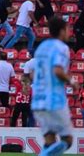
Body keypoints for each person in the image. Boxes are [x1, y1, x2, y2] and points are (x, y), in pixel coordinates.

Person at [31, 17, 77, 156]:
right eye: (68, 29)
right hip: (54, 100)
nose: (69, 33)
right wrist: (72, 81)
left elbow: (33, 73)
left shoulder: (41, 47)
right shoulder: (61, 47)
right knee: (67, 140)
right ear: (62, 31)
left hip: (38, 100)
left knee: (50, 141)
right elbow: (57, 70)